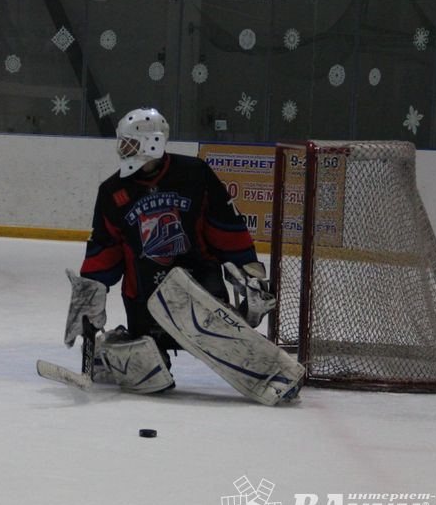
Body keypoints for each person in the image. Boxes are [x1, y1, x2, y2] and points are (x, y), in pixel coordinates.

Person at [63, 107, 304, 405]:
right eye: (122, 143)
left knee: (220, 337)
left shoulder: (193, 173)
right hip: (143, 294)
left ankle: (272, 374)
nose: (122, 150)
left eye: (129, 143)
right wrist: (92, 288)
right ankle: (108, 355)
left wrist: (249, 273)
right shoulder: (113, 191)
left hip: (198, 283)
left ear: (153, 142)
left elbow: (225, 225)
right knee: (148, 372)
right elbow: (105, 247)